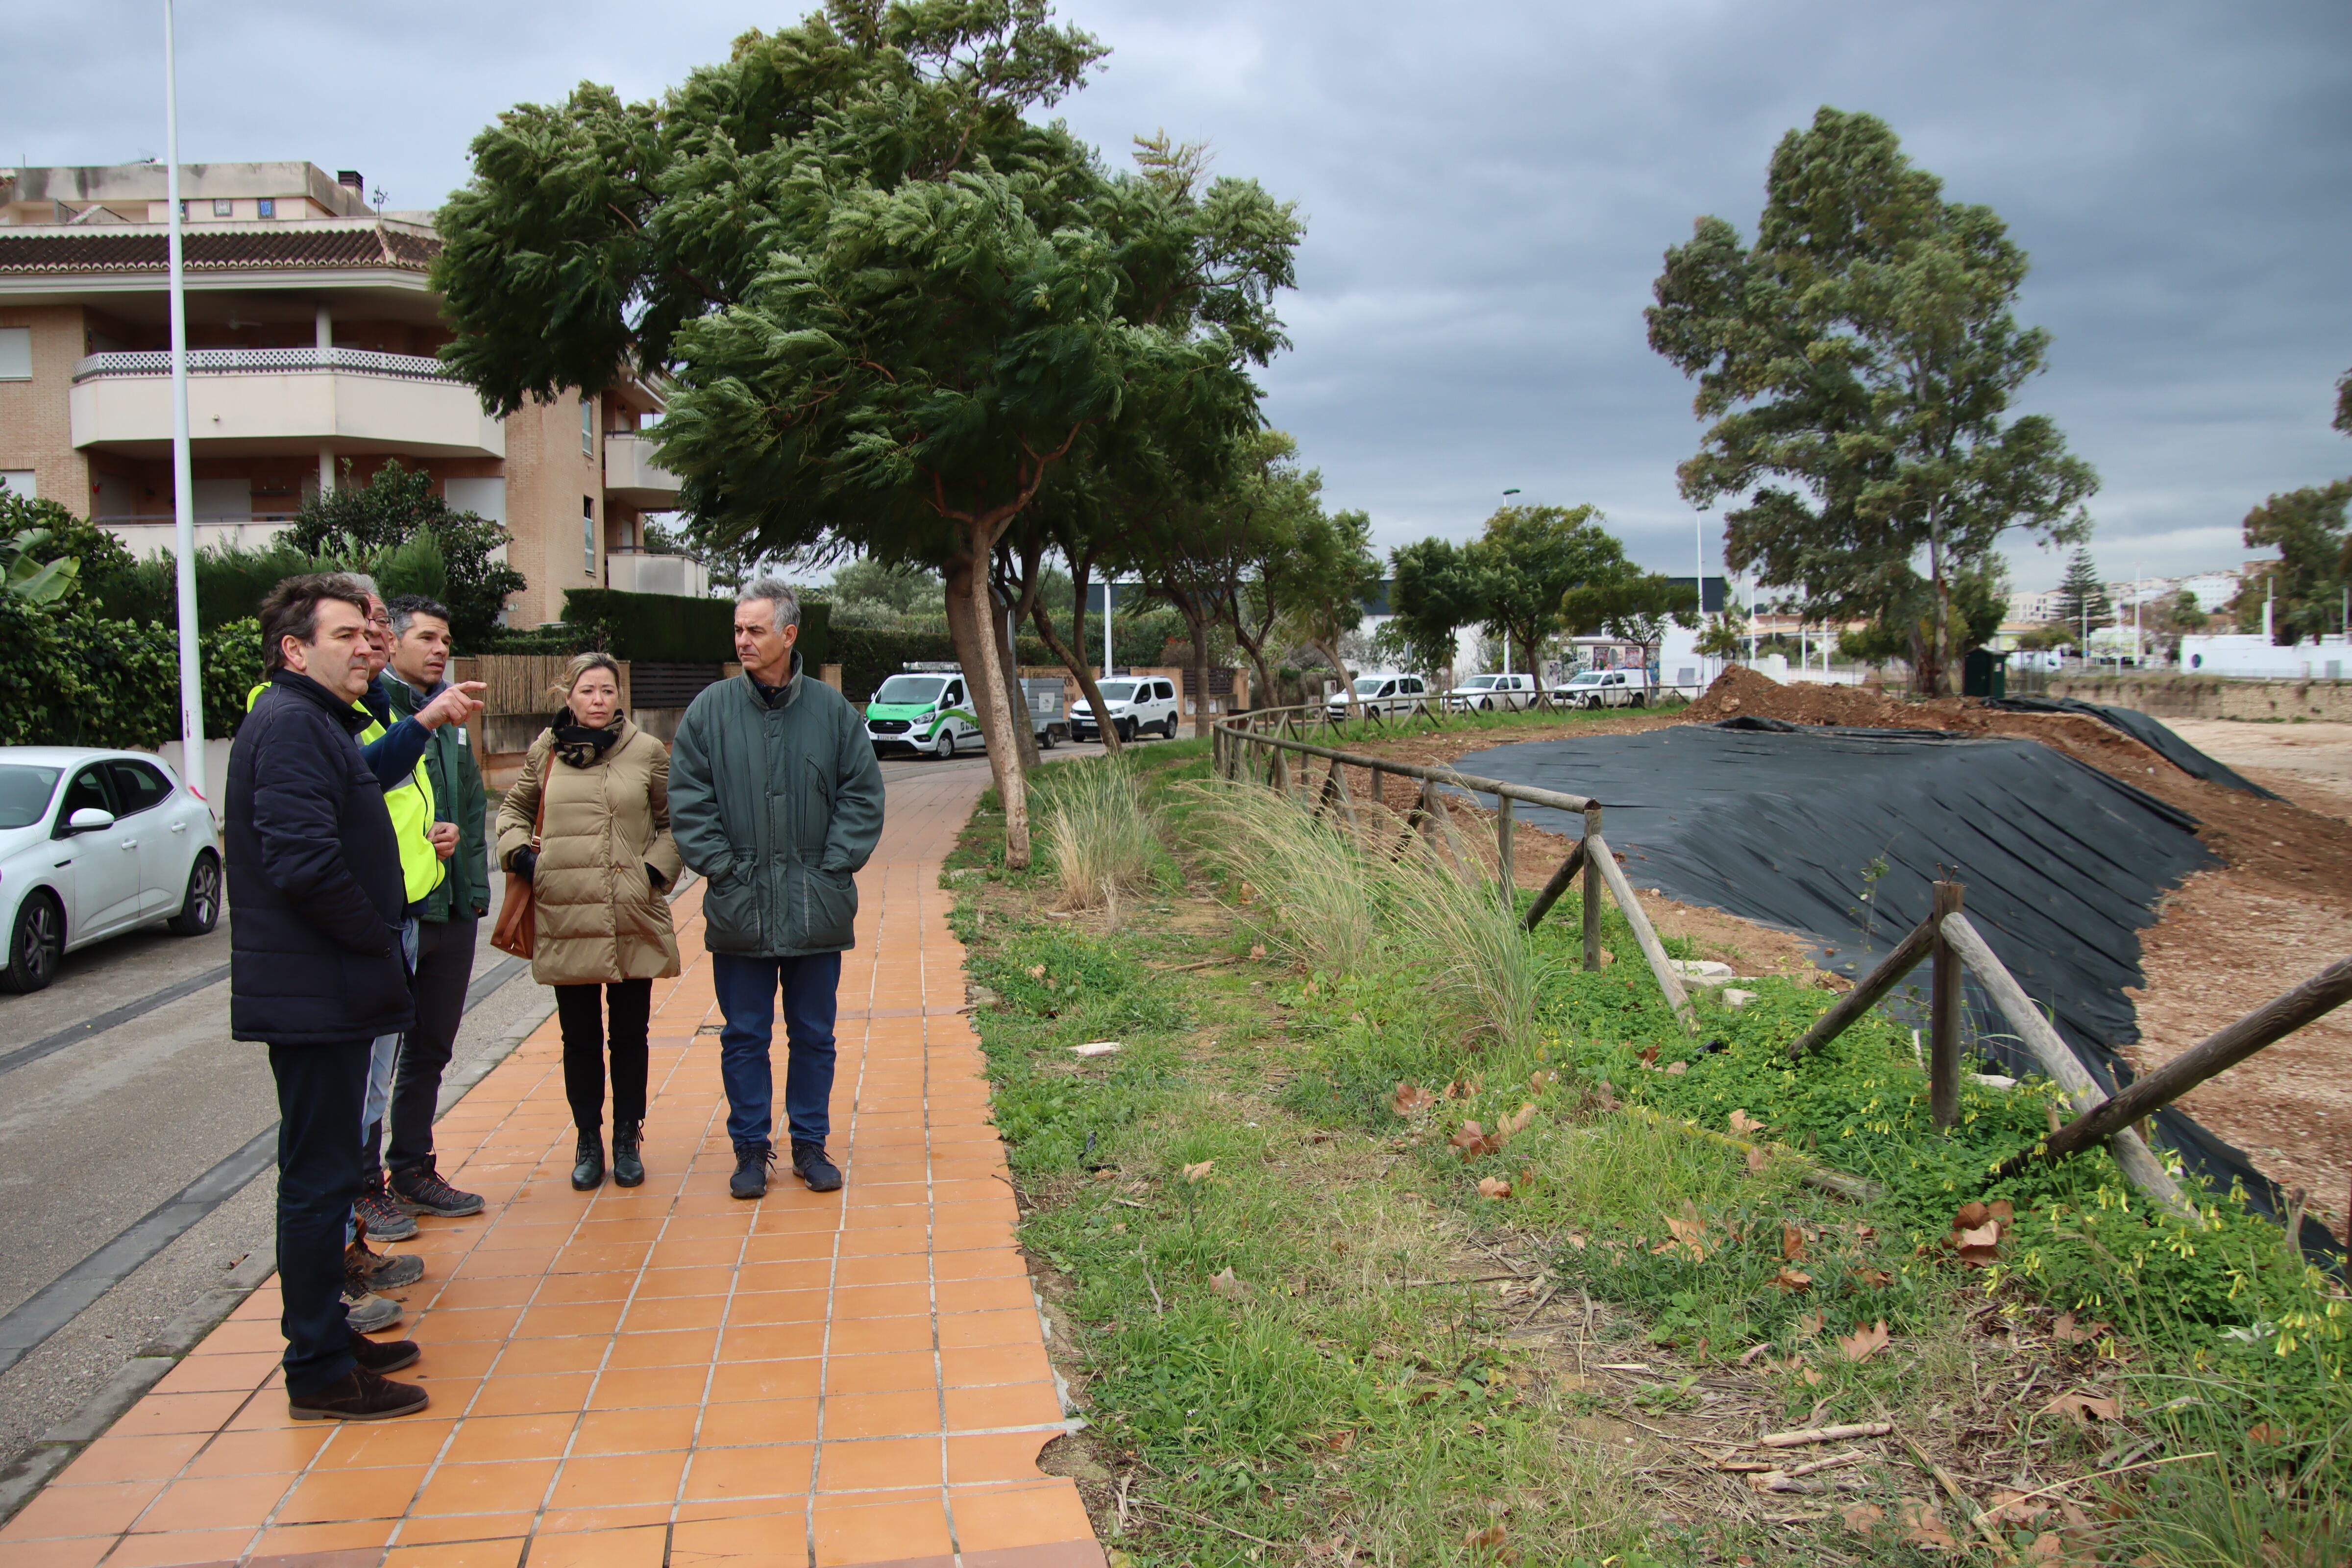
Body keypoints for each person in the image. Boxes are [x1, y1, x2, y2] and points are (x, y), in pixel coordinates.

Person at [227, 573, 430, 1421]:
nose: (366, 647)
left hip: (330, 989)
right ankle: (316, 1366)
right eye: (345, 635)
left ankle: (330, 1335)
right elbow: (304, 865)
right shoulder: (289, 726)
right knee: (315, 1185)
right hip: (318, 992)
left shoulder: (317, 723)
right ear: (295, 649)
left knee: (327, 1174)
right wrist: (378, 940)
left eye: (366, 632)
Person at [669, 578, 885, 1200]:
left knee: (814, 1032)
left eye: (755, 629)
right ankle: (750, 1148)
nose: (742, 639)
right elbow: (688, 799)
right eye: (738, 629)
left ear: (789, 634)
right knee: (744, 1034)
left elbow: (862, 794)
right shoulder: (709, 712)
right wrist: (724, 868)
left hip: (816, 908)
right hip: (741, 906)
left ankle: (810, 1144)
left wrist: (832, 866)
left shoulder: (833, 712)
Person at [496, 653, 683, 1190]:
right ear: (568, 696)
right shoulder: (545, 752)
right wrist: (523, 858)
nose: (598, 700)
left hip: (630, 911)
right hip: (565, 910)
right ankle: (587, 1138)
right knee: (578, 1039)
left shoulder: (647, 750)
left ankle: (628, 1137)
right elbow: (512, 811)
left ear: (618, 696)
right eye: (588, 690)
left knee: (631, 1035)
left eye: (607, 690)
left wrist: (651, 872)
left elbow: (674, 823)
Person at [378, 596, 490, 1221]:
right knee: (375, 1057)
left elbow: (471, 807)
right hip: (399, 909)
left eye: (445, 638)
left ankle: (413, 1167)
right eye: (426, 637)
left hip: (450, 907)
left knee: (431, 1045)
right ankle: (367, 1186)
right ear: (392, 643)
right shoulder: (375, 709)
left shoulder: (451, 714)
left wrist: (474, 890)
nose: (439, 648)